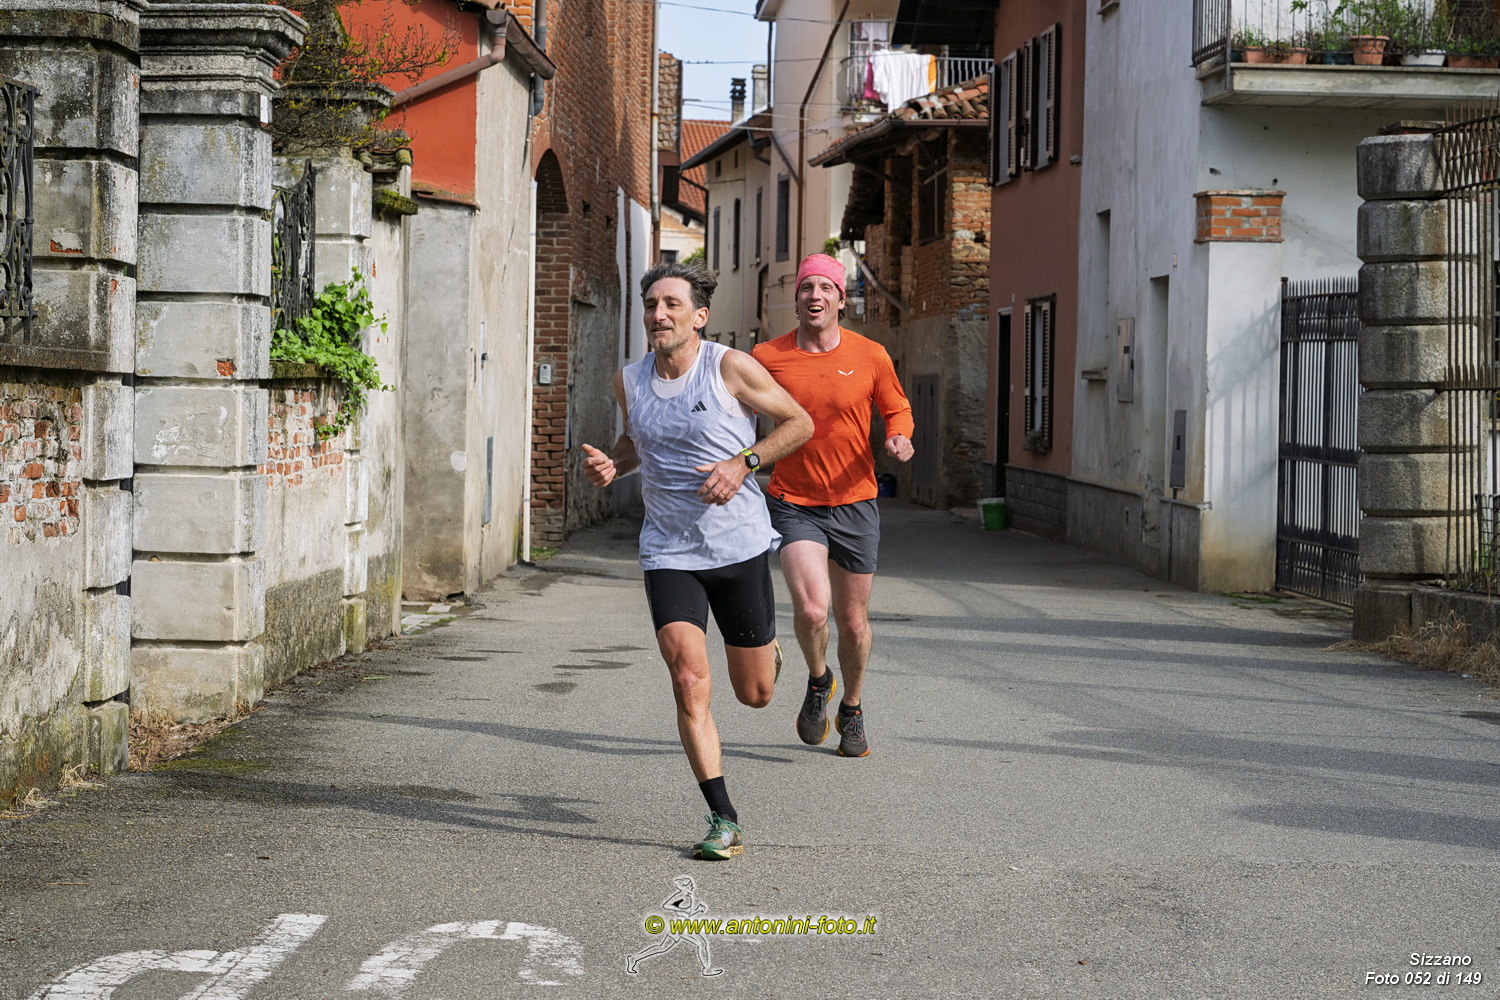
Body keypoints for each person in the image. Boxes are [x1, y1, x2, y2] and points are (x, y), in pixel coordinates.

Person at [581, 261, 812, 860]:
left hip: (737, 546)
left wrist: (744, 463)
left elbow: (799, 422)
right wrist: (613, 464)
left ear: (699, 316)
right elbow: (636, 443)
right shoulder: (629, 381)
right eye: (651, 305)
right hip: (668, 549)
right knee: (687, 680)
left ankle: (768, 650)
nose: (658, 315)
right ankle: (723, 819)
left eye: (672, 305)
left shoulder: (729, 368)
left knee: (755, 694)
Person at [751, 253, 914, 758]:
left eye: (826, 288)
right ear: (796, 298)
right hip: (794, 501)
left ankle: (853, 706)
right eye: (807, 288)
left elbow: (897, 408)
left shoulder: (871, 355)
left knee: (854, 622)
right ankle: (819, 679)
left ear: (842, 300)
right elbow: (734, 408)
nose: (815, 295)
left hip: (855, 501)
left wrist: (900, 436)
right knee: (811, 608)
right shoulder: (767, 356)